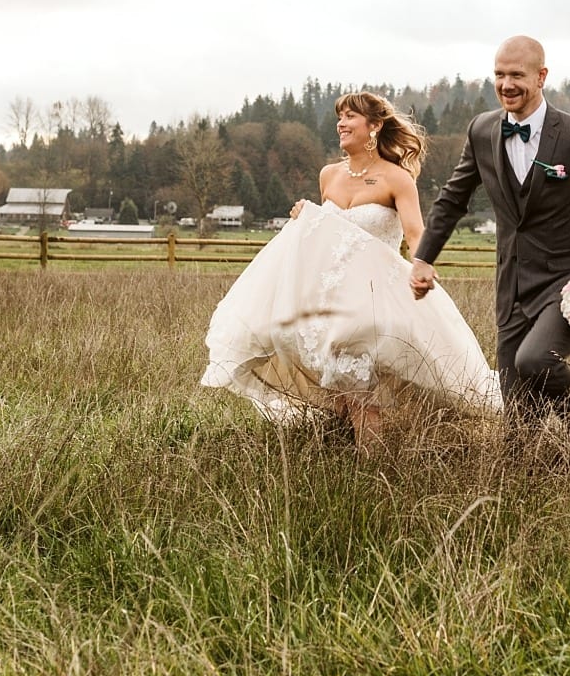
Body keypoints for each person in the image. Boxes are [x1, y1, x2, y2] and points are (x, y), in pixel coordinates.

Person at [201, 91, 501, 451]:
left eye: (350, 117)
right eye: (339, 117)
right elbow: (327, 237)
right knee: (340, 386)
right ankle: (344, 447)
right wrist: (306, 216)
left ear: (374, 126)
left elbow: (415, 233)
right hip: (329, 297)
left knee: (362, 389)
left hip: (374, 296)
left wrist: (423, 264)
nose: (341, 124)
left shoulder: (397, 179)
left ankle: (370, 466)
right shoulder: (328, 175)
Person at [410, 35, 570, 449]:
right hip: (511, 287)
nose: (506, 84)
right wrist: (424, 257)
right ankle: (536, 474)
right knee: (520, 425)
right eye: (499, 75)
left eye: (516, 75)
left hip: (568, 285)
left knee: (535, 359)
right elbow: (452, 199)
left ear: (541, 76)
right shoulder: (482, 130)